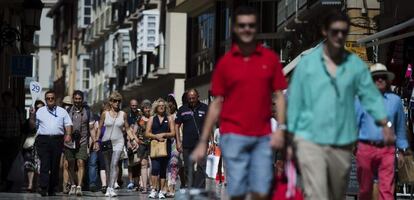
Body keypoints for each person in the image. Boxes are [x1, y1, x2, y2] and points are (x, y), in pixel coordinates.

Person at [287, 11, 394, 200]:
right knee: (316, 193)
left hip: (341, 142)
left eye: (343, 32)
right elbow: (295, 101)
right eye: (334, 31)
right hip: (311, 140)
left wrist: (384, 123)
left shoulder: (354, 65)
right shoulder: (308, 64)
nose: (339, 36)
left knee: (336, 194)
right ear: (324, 31)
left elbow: (370, 96)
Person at [192, 6, 288, 200]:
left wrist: (281, 128)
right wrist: (204, 141)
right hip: (233, 136)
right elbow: (216, 103)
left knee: (261, 192)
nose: (247, 29)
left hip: (263, 137)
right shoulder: (226, 63)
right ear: (235, 28)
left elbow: (279, 95)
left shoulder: (270, 59)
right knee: (237, 191)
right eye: (242, 25)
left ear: (257, 28)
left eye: (251, 25)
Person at [355, 63, 409, 200]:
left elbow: (400, 126)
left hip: (387, 150)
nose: (379, 80)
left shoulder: (395, 101)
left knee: (387, 190)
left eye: (382, 77)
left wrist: (402, 150)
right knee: (365, 189)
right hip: (365, 148)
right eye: (375, 77)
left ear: (387, 80)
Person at [30, 90, 73, 196]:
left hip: (57, 140)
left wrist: (68, 134)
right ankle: (43, 187)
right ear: (45, 100)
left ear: (55, 99)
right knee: (44, 163)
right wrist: (32, 115)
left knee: (55, 165)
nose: (50, 100)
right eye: (48, 98)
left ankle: (52, 187)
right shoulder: (40, 111)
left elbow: (68, 124)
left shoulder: (62, 111)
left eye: (52, 98)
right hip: (43, 140)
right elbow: (32, 126)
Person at [97, 91, 139, 197]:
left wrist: (133, 139)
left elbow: (128, 129)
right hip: (106, 141)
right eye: (115, 101)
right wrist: (96, 141)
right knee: (107, 166)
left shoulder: (123, 114)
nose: (117, 103)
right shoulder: (104, 114)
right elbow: (99, 128)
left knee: (114, 163)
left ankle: (110, 188)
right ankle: (108, 186)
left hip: (119, 141)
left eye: (119, 101)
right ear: (110, 102)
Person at [175, 89, 209, 188]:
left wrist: (211, 142)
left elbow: (208, 125)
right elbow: (177, 125)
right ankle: (190, 188)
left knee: (201, 167)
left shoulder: (205, 108)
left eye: (193, 98)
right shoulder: (182, 109)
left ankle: (200, 189)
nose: (191, 100)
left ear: (198, 97)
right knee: (188, 168)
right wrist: (178, 141)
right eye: (189, 98)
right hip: (187, 144)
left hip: (201, 143)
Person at [64, 90, 95, 196]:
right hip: (70, 142)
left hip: (82, 141)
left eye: (79, 99)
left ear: (82, 99)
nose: (77, 101)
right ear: (73, 99)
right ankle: (72, 184)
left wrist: (94, 141)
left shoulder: (88, 111)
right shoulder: (67, 111)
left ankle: (79, 186)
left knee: (81, 162)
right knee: (70, 164)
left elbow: (91, 128)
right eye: (76, 99)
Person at [145, 98, 176, 199]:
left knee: (163, 169)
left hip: (166, 146)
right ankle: (154, 189)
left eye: (163, 105)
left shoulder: (170, 118)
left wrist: (164, 134)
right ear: (156, 108)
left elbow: (173, 133)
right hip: (155, 146)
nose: (161, 107)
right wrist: (156, 136)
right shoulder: (152, 118)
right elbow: (147, 133)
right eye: (159, 106)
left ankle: (162, 191)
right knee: (155, 168)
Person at [0, 91, 24, 192]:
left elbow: (23, 126)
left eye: (9, 99)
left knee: (12, 163)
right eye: (5, 100)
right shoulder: (1, 111)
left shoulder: (17, 111)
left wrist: (20, 141)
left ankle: (8, 182)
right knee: (4, 163)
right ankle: (5, 181)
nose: (7, 102)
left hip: (14, 141)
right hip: (3, 140)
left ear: (12, 100)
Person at [23, 100, 45, 192]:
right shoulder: (31, 119)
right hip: (31, 145)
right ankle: (30, 184)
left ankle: (39, 184)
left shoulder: (47, 119)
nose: (39, 109)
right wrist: (32, 116)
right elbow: (29, 128)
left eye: (41, 108)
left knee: (41, 166)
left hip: (42, 145)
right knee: (30, 165)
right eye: (37, 108)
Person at [88, 104, 108, 194]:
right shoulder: (97, 120)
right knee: (93, 163)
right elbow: (93, 130)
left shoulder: (110, 122)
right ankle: (92, 183)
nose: (107, 112)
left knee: (104, 165)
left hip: (107, 146)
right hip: (96, 144)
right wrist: (94, 143)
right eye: (105, 110)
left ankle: (104, 184)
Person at [137, 99, 152, 194]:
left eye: (148, 107)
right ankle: (145, 186)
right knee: (143, 165)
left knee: (153, 165)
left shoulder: (153, 118)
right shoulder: (140, 119)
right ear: (143, 109)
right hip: (142, 144)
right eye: (145, 108)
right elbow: (134, 131)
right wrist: (136, 140)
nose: (147, 109)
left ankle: (151, 184)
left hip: (153, 143)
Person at [166, 95, 179, 197]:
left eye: (172, 105)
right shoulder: (163, 117)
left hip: (175, 142)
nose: (171, 107)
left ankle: (172, 187)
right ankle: (167, 186)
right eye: (169, 105)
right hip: (165, 143)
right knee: (167, 166)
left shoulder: (178, 115)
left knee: (174, 164)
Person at [127, 99, 141, 190]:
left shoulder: (140, 115)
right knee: (130, 162)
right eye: (132, 105)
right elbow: (126, 128)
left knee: (138, 162)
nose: (134, 107)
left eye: (135, 105)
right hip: (129, 140)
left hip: (138, 139)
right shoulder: (127, 115)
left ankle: (138, 181)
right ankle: (131, 181)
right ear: (130, 106)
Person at [60, 95, 73, 194]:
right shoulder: (59, 114)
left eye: (69, 105)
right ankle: (63, 183)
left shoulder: (73, 114)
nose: (67, 106)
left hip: (70, 143)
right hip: (59, 142)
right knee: (61, 165)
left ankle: (66, 184)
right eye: (65, 104)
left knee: (67, 165)